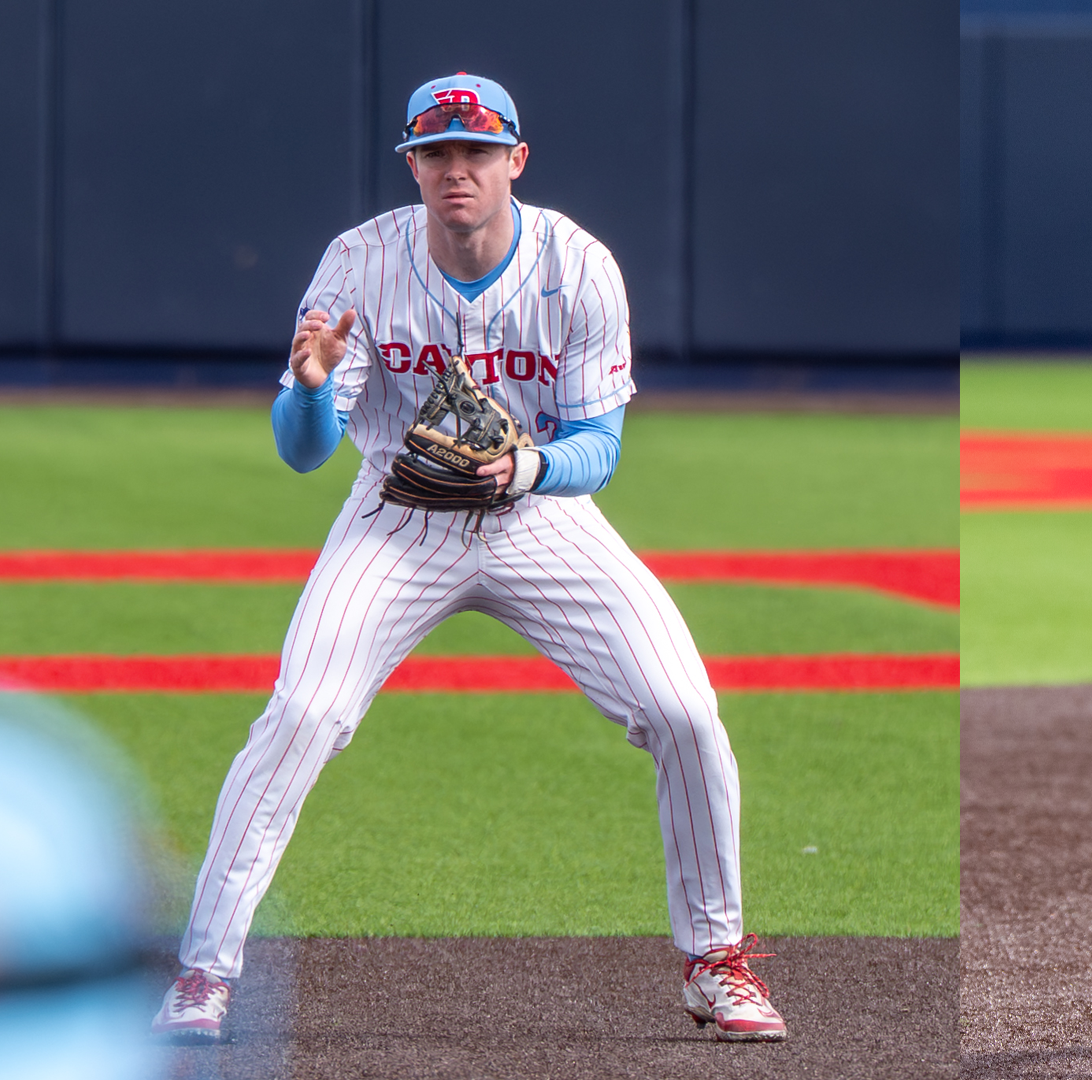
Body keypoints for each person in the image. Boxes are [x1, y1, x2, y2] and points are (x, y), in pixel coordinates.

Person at [149, 73, 786, 1044]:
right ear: (411, 163)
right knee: (304, 713)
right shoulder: (359, 263)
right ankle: (203, 971)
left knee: (685, 710)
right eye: (437, 151)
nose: (458, 168)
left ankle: (716, 961)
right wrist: (312, 388)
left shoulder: (578, 265)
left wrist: (526, 465)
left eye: (477, 151)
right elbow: (302, 449)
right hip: (396, 518)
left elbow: (598, 450)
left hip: (539, 516)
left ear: (514, 161)